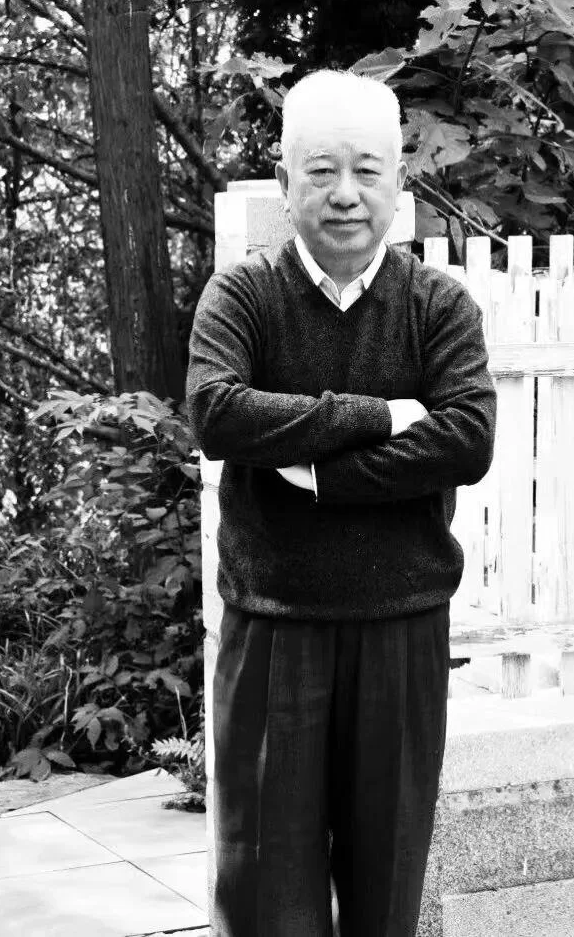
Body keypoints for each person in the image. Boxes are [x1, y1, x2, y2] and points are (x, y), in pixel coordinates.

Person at [185, 69, 497, 937]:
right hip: (274, 628)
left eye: (367, 170)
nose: (346, 194)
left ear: (400, 182)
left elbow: (467, 439)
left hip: (402, 627)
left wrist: (323, 476)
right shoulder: (241, 297)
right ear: (285, 184)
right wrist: (380, 416)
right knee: (264, 891)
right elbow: (218, 413)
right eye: (321, 172)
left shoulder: (438, 307)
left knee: (386, 890)